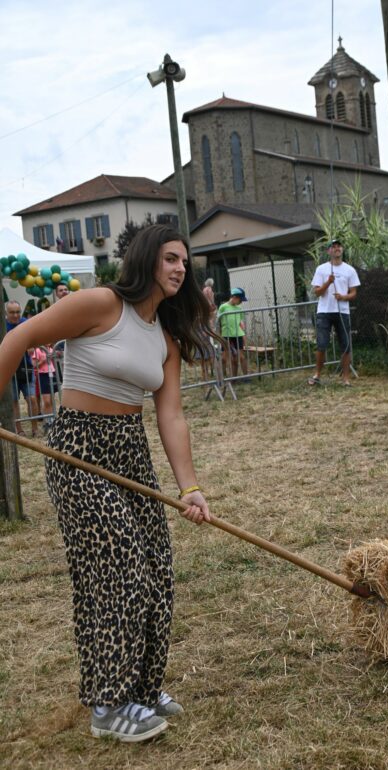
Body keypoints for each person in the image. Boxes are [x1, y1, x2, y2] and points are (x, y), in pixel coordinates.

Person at [0, 225, 212, 743]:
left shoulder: (164, 338)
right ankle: (108, 704)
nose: (179, 268)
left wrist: (189, 488)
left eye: (183, 261)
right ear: (146, 260)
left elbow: (172, 416)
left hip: (129, 451)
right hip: (78, 449)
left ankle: (142, 689)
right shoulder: (100, 304)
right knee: (118, 568)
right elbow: (19, 337)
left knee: (156, 567)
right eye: (169, 258)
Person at [308, 238, 360, 386]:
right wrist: (328, 283)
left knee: (345, 345)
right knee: (321, 344)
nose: (337, 248)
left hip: (343, 312)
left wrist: (343, 297)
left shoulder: (349, 270)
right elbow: (317, 292)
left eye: (339, 246)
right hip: (324, 312)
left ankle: (346, 379)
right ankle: (317, 375)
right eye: (333, 246)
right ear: (329, 251)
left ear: (342, 250)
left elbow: (354, 293)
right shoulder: (321, 269)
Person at [4, 300, 39, 437]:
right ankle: (19, 429)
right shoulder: (3, 325)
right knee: (14, 401)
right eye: (12, 312)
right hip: (9, 370)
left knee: (32, 399)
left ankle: (35, 427)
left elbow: (37, 337)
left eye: (18, 312)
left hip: (26, 368)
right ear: (6, 313)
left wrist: (33, 344)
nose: (15, 315)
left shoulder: (26, 323)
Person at [217, 287, 249, 378]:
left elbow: (240, 321)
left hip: (237, 335)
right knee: (224, 358)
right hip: (226, 335)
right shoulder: (223, 307)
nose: (241, 302)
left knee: (240, 357)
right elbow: (218, 321)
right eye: (240, 300)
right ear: (234, 297)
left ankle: (243, 377)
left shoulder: (239, 308)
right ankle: (223, 377)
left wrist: (243, 333)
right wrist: (218, 334)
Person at [31, 344, 58, 435]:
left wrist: (56, 355)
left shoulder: (51, 349)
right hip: (43, 375)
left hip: (52, 373)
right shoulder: (38, 350)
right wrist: (43, 360)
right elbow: (34, 365)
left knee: (51, 400)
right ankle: (48, 421)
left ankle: (52, 421)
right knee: (46, 401)